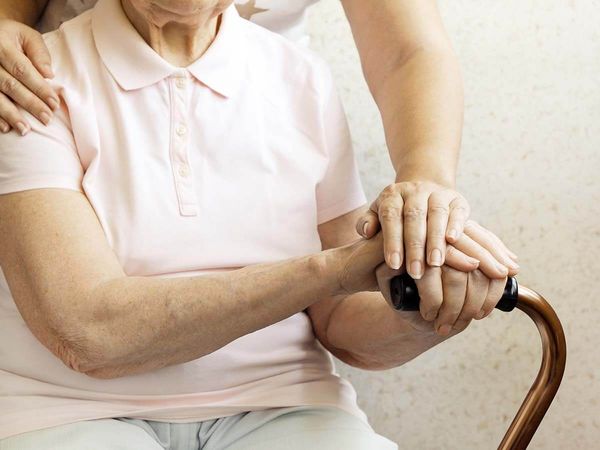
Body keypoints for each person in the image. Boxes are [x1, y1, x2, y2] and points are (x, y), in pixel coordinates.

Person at [0, 0, 518, 448]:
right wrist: (335, 269)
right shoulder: (29, 82)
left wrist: (423, 306)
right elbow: (91, 334)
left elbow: (339, 321)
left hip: (282, 403)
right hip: (66, 409)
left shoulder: (300, 78)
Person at [0, 0, 520, 287]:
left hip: (268, 117)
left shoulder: (300, 84)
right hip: (79, 111)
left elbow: (409, 50)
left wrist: (424, 180)